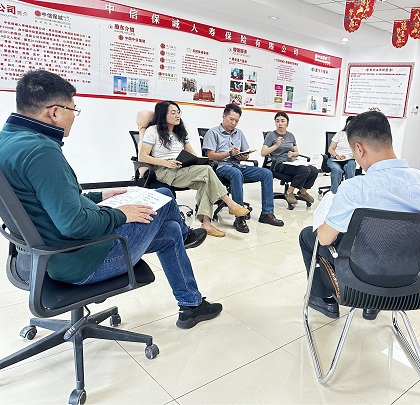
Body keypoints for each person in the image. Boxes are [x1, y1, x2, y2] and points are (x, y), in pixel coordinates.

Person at [0, 70, 222, 329]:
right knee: (163, 196)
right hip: (79, 262)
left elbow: (46, 200)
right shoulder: (41, 151)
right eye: (74, 110)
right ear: (55, 112)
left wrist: (99, 196)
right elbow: (75, 225)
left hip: (39, 258)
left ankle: (191, 305)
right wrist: (120, 214)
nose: (74, 116)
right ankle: (186, 236)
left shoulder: (9, 141)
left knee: (170, 230)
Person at [298, 111, 420, 320]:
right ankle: (373, 307)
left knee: (308, 236)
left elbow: (324, 239)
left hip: (359, 282)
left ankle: (323, 299)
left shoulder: (354, 188)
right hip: (411, 286)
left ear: (359, 149)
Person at [137, 102, 249, 238]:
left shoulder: (180, 132)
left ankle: (206, 225)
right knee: (207, 171)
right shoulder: (153, 131)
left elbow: (192, 154)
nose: (177, 115)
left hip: (182, 168)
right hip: (164, 171)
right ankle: (231, 204)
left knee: (205, 182)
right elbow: (142, 156)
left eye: (178, 112)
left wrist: (197, 161)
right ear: (163, 115)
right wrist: (166, 163)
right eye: (173, 112)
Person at [203, 104, 284, 233]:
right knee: (236, 173)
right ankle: (239, 217)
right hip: (220, 167)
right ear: (223, 116)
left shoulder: (239, 133)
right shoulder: (212, 133)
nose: (233, 123)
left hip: (238, 165)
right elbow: (210, 156)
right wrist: (229, 153)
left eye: (236, 121)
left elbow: (245, 153)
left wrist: (243, 156)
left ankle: (267, 214)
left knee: (266, 173)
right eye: (231, 119)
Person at [262, 111, 319, 205]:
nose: (280, 123)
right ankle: (289, 191)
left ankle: (303, 192)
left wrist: (292, 154)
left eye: (282, 121)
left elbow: (297, 152)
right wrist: (276, 145)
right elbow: (263, 153)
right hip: (279, 164)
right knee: (305, 170)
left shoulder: (290, 135)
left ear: (287, 123)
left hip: (291, 162)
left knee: (314, 170)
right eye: (277, 121)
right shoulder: (271, 135)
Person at [326, 116, 357, 194]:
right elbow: (330, 149)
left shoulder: (358, 137)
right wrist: (337, 156)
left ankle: (349, 193)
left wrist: (353, 155)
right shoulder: (340, 134)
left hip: (349, 159)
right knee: (337, 170)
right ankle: (334, 193)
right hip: (335, 159)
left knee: (351, 165)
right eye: (349, 124)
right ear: (346, 124)